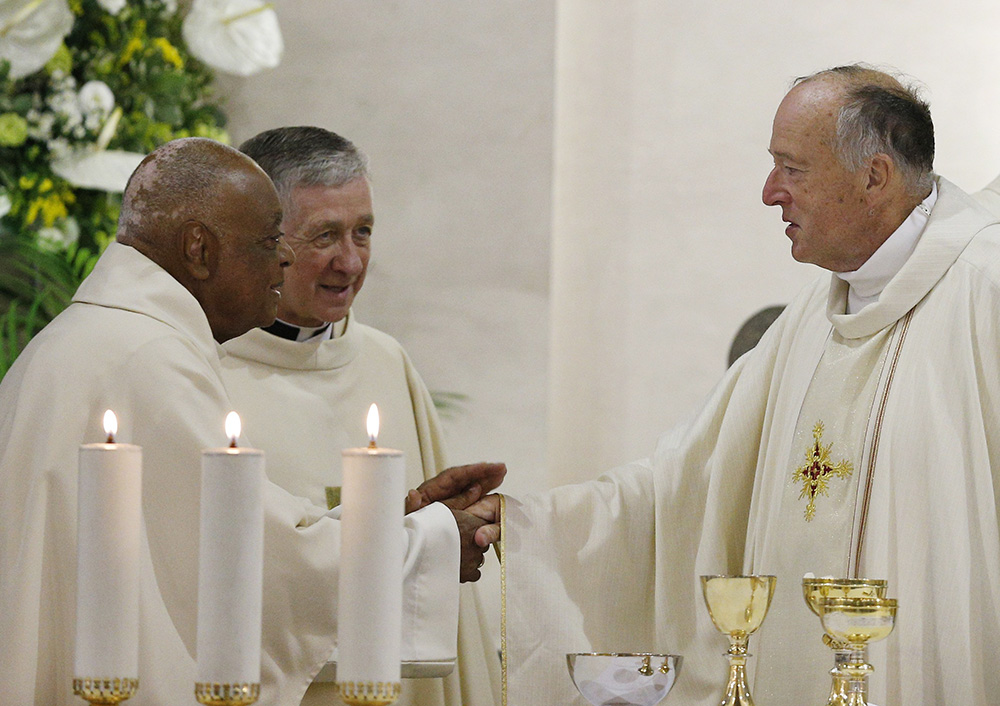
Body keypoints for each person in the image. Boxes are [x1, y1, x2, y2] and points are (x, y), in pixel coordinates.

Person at [454, 65, 1000, 706]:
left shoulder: (982, 294)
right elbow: (684, 484)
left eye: (791, 169)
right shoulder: (809, 321)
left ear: (874, 176)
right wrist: (528, 524)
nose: (770, 193)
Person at [0, 137, 501, 705]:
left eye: (362, 231)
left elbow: (211, 541)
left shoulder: (96, 337)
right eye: (270, 242)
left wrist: (389, 518)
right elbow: (245, 563)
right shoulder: (149, 358)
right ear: (199, 248)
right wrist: (427, 544)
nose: (283, 261)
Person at [219, 126, 502, 706]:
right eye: (325, 235)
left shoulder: (384, 361)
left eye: (363, 232)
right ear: (263, 239)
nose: (349, 261)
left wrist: (441, 528)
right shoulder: (205, 374)